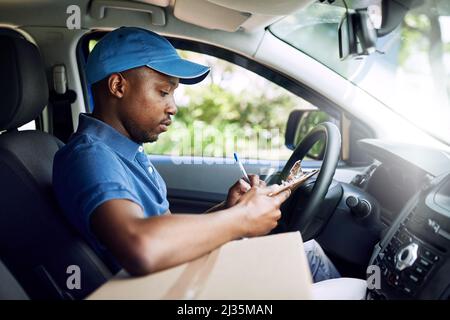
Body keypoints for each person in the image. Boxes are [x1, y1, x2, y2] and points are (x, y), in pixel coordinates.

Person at [52, 27, 340, 282]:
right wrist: (243, 219)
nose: (173, 107)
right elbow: (141, 246)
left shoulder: (125, 151)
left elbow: (163, 231)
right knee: (307, 255)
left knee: (302, 250)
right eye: (164, 92)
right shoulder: (90, 157)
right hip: (161, 290)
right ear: (118, 86)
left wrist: (228, 211)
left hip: (173, 278)